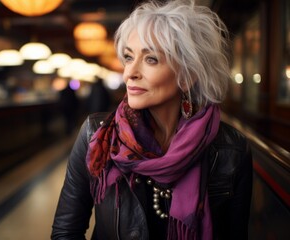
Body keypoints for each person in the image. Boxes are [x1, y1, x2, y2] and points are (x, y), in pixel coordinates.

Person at [52, 0, 253, 239]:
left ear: (187, 76)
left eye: (151, 59)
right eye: (128, 57)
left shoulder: (231, 151)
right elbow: (66, 232)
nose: (130, 73)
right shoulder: (97, 136)